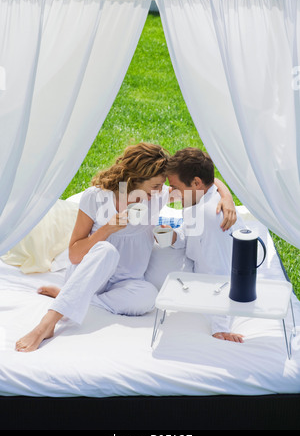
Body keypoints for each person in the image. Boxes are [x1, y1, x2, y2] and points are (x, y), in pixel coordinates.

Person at [15, 143, 236, 352]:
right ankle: (47, 323)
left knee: (149, 297)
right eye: (156, 185)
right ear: (136, 178)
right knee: (106, 251)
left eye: (163, 185)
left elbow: (204, 182)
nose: (163, 190)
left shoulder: (156, 197)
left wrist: (227, 198)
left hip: (126, 284)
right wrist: (106, 230)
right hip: (91, 272)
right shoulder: (96, 198)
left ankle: (70, 295)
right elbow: (74, 255)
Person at [165, 147, 244, 343]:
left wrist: (220, 327)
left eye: (175, 187)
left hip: (215, 281)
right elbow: (190, 236)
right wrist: (174, 237)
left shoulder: (210, 215)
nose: (171, 193)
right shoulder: (197, 200)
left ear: (196, 182)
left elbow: (220, 272)